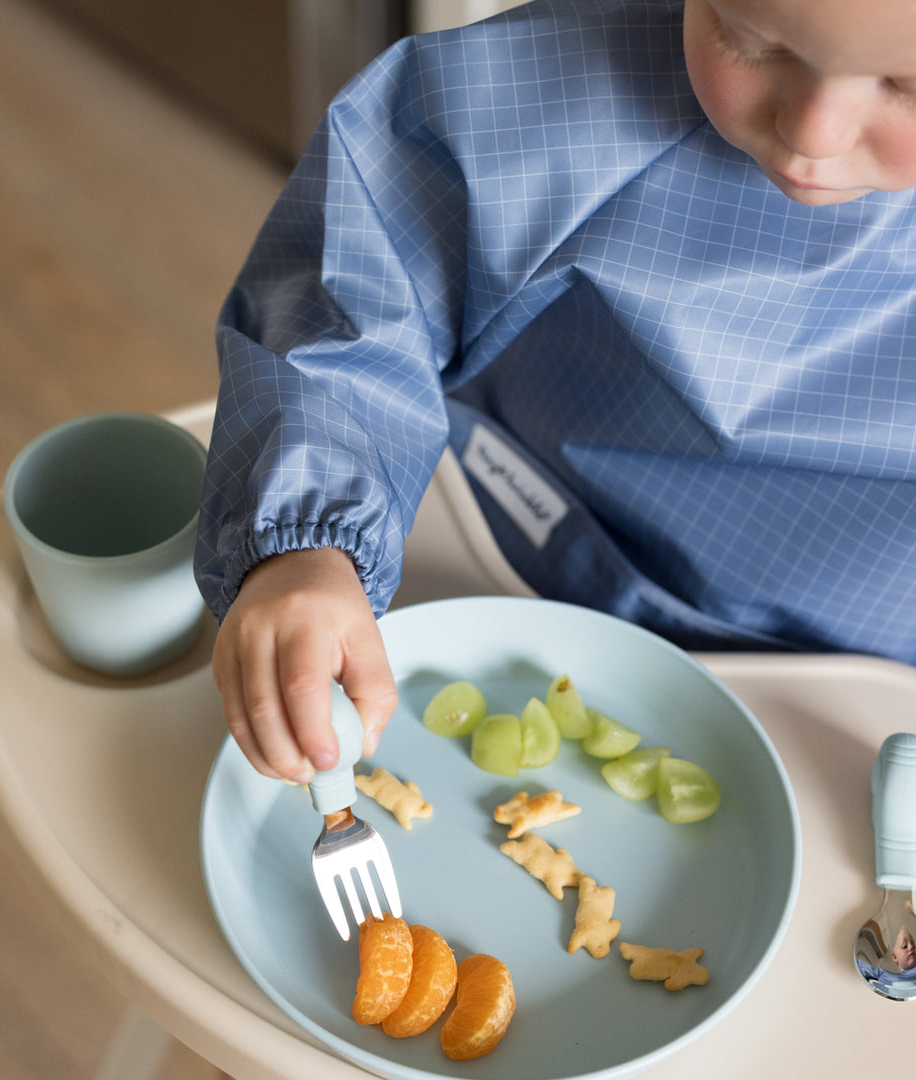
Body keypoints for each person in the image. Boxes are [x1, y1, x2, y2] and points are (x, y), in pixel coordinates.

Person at [194, 0, 916, 783]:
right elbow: (360, 290)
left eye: (907, 86)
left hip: (854, 711)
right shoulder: (562, 90)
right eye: (750, 40)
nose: (813, 133)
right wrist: (308, 540)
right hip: (510, 543)